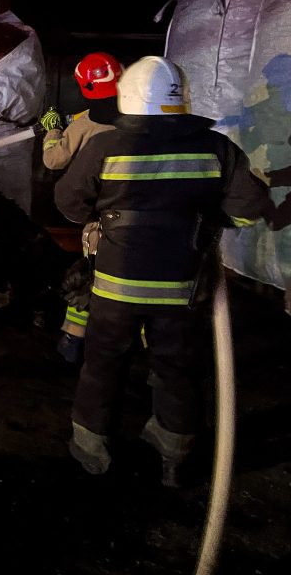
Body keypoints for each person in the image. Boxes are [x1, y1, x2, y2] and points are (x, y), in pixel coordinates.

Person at [54, 56, 271, 486]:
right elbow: (249, 208)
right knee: (177, 368)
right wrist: (204, 223)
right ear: (182, 101)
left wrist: (100, 219)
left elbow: (68, 202)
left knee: (103, 364)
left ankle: (91, 447)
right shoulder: (217, 148)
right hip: (180, 290)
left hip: (115, 287)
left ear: (127, 100)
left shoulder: (104, 146)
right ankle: (173, 453)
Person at [39, 52, 125, 363]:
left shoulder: (85, 126)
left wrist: (52, 131)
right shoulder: (139, 119)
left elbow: (53, 160)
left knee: (90, 276)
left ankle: (72, 343)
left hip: (100, 215)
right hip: (138, 211)